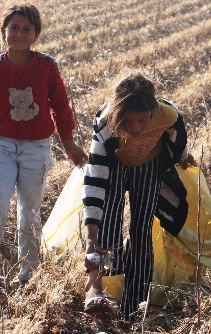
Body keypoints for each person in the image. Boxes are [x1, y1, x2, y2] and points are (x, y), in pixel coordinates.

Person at [0, 3, 87, 290]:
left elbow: (60, 107)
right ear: (4, 31)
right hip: (2, 147)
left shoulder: (46, 66)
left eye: (27, 28)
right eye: (14, 27)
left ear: (36, 34)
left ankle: (28, 274)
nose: (19, 33)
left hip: (37, 148)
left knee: (29, 214)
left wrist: (68, 142)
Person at [82, 74, 196, 319]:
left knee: (142, 229)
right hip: (115, 165)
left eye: (143, 121)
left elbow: (177, 137)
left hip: (149, 165)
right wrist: (91, 234)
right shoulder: (106, 125)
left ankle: (135, 304)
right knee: (108, 222)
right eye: (128, 122)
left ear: (153, 111)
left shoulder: (168, 114)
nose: (135, 129)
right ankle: (95, 289)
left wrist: (183, 154)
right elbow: (95, 181)